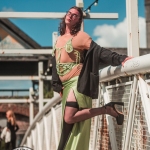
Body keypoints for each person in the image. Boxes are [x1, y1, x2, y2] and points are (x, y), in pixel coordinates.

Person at [51, 6, 132, 150]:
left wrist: (120, 58)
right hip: (66, 85)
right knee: (67, 129)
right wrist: (57, 85)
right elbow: (56, 64)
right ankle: (108, 109)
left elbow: (99, 52)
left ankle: (105, 110)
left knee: (69, 118)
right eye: (69, 13)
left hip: (77, 81)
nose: (70, 16)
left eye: (75, 15)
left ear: (79, 20)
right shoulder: (58, 40)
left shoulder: (80, 37)